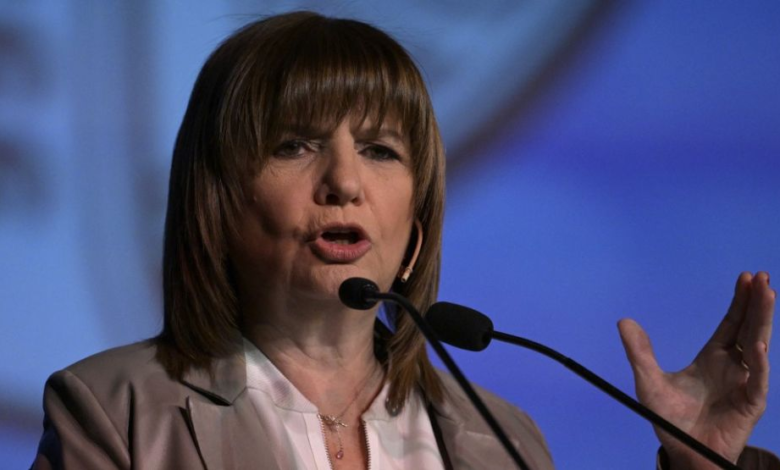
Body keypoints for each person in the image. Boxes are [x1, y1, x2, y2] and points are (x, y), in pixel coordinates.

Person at [32, 11, 777, 470]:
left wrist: (701, 466)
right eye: (295, 145)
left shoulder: (506, 441)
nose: (344, 182)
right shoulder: (115, 412)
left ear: (416, 230)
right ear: (217, 200)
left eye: (380, 151)